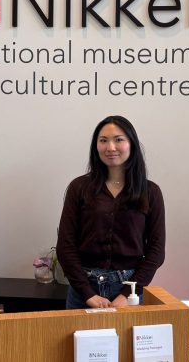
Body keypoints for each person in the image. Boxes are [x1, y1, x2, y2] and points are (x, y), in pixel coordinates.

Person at [56, 115, 165, 309]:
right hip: (83, 290)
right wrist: (87, 294)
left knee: (125, 340)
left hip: (129, 291)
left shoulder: (150, 192)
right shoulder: (79, 187)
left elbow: (156, 251)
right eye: (103, 140)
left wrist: (126, 295)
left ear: (131, 143)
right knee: (78, 340)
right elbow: (66, 245)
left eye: (119, 139)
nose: (110, 147)